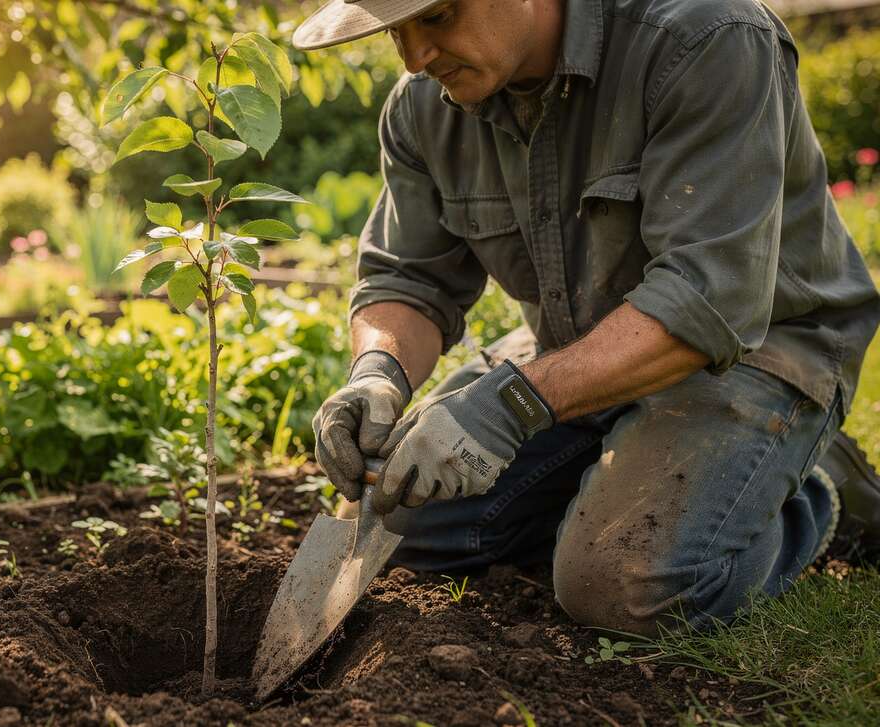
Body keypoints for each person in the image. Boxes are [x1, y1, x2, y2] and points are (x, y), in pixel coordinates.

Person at [296, 0, 880, 635]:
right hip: (572, 350)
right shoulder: (422, 106)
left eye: (435, 17)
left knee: (625, 587)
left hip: (757, 349)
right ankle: (622, 471)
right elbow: (408, 276)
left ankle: (818, 492)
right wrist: (377, 373)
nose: (414, 58)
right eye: (394, 33)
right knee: (400, 527)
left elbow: (709, 297)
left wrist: (513, 405)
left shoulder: (707, 37)